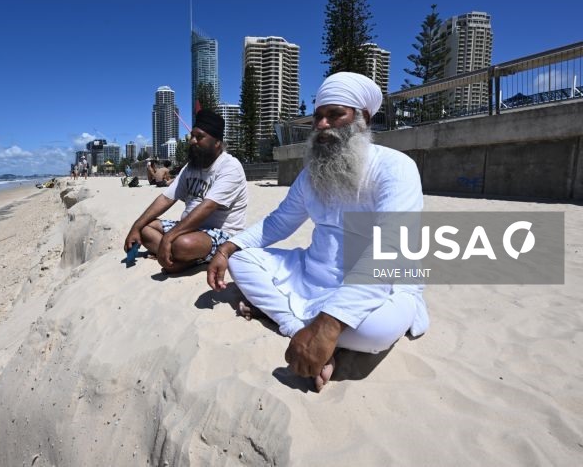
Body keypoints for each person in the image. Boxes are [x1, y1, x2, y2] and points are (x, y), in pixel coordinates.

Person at [207, 72, 429, 392]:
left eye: (335, 115)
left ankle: (313, 328)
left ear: (363, 118)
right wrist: (228, 248)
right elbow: (278, 223)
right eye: (318, 117)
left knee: (376, 330)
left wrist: (330, 323)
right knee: (242, 262)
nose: (322, 125)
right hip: (313, 275)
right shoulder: (312, 174)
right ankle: (297, 326)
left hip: (379, 283)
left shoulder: (395, 167)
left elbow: (391, 248)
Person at [124, 109, 248, 274]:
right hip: (189, 229)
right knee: (145, 228)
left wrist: (169, 237)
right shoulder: (191, 167)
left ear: (217, 142)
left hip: (222, 234)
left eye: (200, 137)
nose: (193, 141)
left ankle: (183, 256)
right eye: (192, 136)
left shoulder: (230, 167)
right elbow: (166, 199)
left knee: (182, 244)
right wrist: (135, 226)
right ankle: (176, 256)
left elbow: (207, 207)